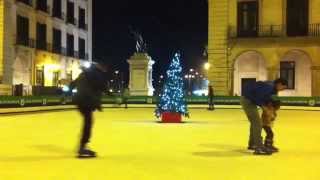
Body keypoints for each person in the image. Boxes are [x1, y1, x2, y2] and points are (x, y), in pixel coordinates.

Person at [70, 63, 108, 158]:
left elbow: (72, 84)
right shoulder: (96, 74)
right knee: (88, 122)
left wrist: (64, 95)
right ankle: (82, 147)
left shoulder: (84, 73)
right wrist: (110, 95)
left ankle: (83, 145)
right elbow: (100, 87)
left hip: (80, 101)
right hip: (86, 101)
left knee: (88, 121)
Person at [240, 78, 287, 155]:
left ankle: (253, 144)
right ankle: (259, 147)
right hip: (247, 100)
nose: (283, 90)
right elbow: (258, 98)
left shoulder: (273, 89)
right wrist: (265, 109)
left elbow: (267, 100)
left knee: (255, 122)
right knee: (257, 123)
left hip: (250, 100)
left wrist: (271, 111)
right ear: (279, 84)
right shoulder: (269, 87)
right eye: (283, 87)